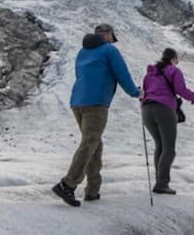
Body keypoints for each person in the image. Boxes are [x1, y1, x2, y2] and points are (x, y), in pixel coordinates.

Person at [53, 23, 139, 207]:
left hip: (78, 102)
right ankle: (67, 184)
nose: (112, 40)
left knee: (94, 144)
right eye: (112, 37)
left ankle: (93, 190)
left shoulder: (82, 52)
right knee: (90, 143)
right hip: (97, 103)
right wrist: (137, 93)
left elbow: (79, 75)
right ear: (108, 35)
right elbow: (122, 74)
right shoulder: (109, 50)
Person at [140, 48, 194, 194]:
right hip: (164, 109)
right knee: (169, 149)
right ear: (173, 59)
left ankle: (159, 181)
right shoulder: (174, 71)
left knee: (159, 146)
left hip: (146, 110)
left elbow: (144, 93)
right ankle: (162, 184)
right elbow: (180, 89)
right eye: (177, 60)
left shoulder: (149, 74)